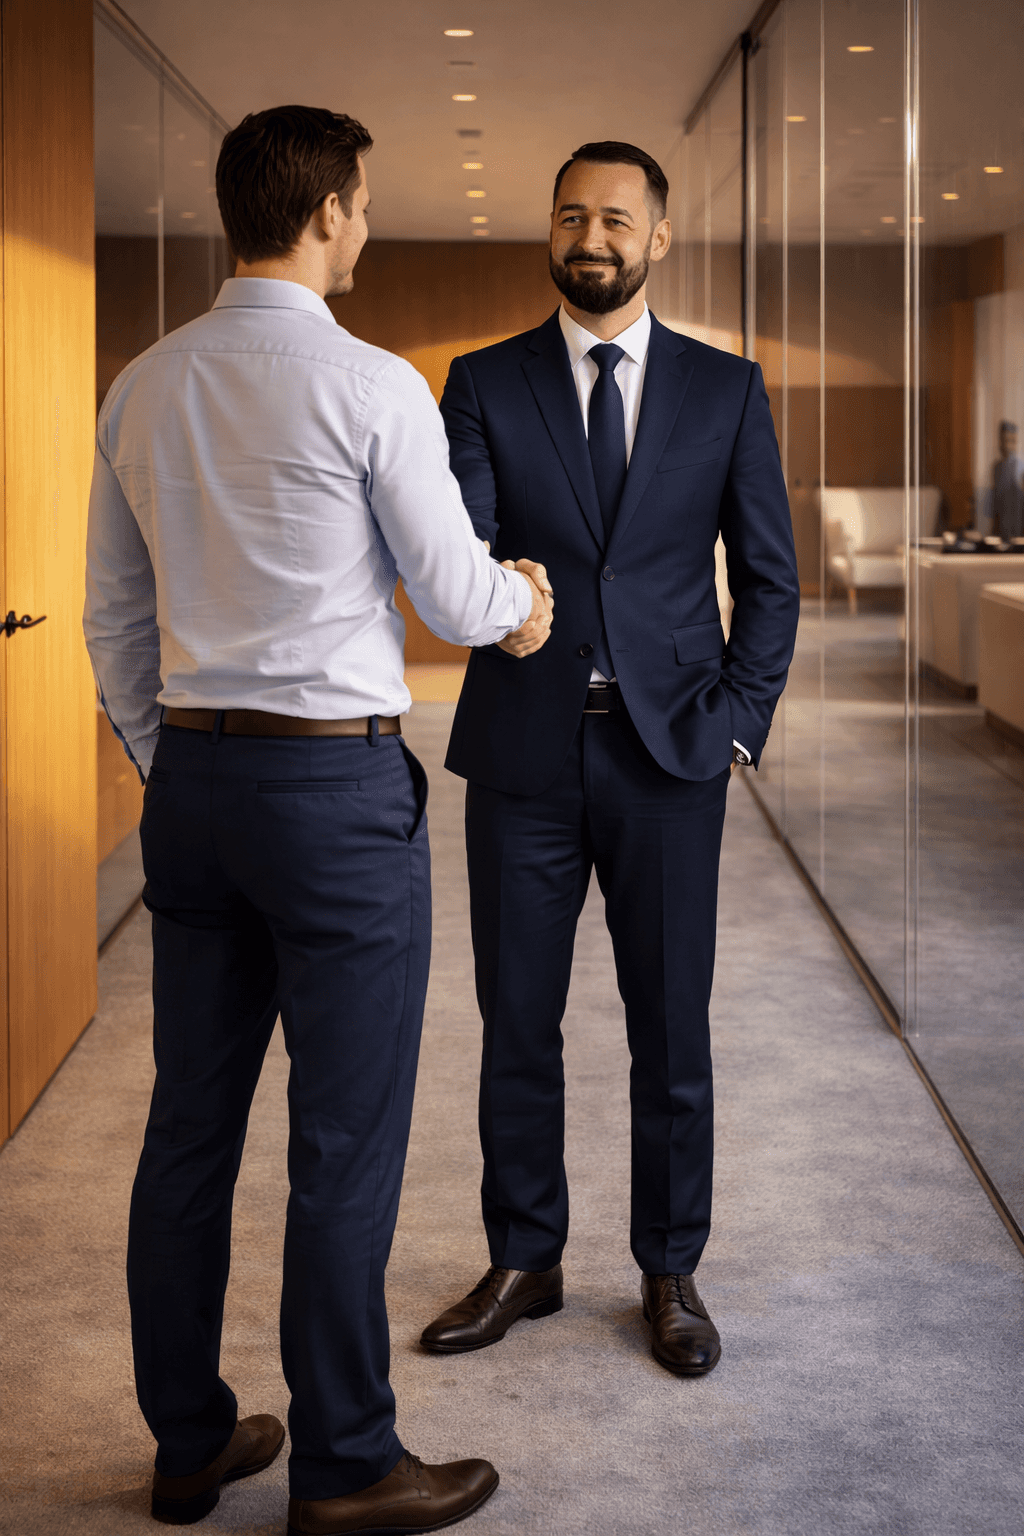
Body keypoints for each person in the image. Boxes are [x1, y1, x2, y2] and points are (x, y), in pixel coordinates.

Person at [84, 105, 553, 1535]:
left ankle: (189, 1445)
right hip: (334, 797)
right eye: (361, 204)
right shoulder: (371, 383)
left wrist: (173, 764)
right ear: (331, 210)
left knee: (188, 1129)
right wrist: (525, 601)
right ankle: (346, 1465)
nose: (363, 224)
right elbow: (453, 594)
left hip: (196, 787)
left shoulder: (142, 384)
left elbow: (114, 620)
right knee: (342, 1140)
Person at [420, 141, 800, 1378]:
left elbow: (770, 578)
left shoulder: (725, 388)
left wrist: (737, 721)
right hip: (521, 752)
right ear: (549, 228)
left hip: (671, 756)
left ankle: (669, 1269)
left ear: (658, 239)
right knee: (514, 1022)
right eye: (572, 215)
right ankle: (524, 1258)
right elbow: (460, 549)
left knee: (670, 1027)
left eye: (617, 220)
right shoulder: (481, 382)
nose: (592, 237)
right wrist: (496, 587)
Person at [992, 420, 1024, 541]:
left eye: (1012, 441)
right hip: (1001, 531)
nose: (1008, 446)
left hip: (1018, 531)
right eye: (1005, 441)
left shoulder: (1021, 467)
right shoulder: (997, 467)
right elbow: (996, 502)